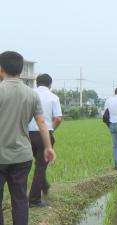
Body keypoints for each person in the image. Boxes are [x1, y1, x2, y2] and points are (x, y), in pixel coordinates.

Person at [0, 51, 56, 225]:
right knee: (20, 199)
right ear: (21, 70)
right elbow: (42, 123)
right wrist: (48, 147)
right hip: (22, 156)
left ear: (1, 69)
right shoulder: (32, 94)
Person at [28, 74, 62, 208]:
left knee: (34, 163)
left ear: (37, 83)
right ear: (50, 84)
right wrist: (50, 130)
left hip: (26, 134)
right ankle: (34, 199)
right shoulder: (53, 97)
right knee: (41, 166)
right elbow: (58, 118)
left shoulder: (29, 94)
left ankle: (45, 186)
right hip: (44, 134)